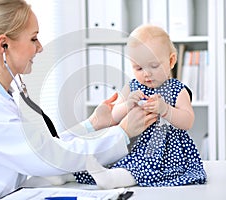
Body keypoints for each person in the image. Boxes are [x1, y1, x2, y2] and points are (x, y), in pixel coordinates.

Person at [0, 1, 158, 199]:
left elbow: (41, 148)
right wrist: (123, 132)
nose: (40, 47)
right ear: (3, 45)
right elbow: (51, 157)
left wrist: (92, 125)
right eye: (33, 38)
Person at [72, 24, 207, 188]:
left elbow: (188, 121)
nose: (146, 73)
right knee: (105, 160)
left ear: (171, 61)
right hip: (132, 143)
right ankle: (62, 175)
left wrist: (166, 110)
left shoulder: (177, 89)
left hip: (165, 151)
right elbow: (113, 116)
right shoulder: (132, 86)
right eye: (138, 68)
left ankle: (113, 180)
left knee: (140, 167)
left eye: (154, 66)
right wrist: (128, 105)